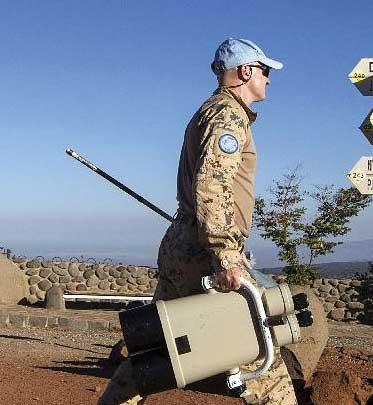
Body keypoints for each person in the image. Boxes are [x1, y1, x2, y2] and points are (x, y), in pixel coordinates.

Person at [98, 38, 297, 405]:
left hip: (184, 244)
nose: (269, 79)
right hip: (205, 251)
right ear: (246, 72)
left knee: (157, 349)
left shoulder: (209, 111)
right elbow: (211, 186)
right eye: (265, 71)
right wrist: (227, 256)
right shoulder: (228, 115)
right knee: (259, 351)